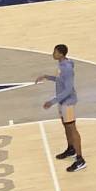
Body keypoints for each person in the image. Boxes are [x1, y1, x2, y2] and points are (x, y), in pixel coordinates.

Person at [39, 44, 88, 173]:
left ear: (61, 54)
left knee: (72, 129)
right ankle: (71, 149)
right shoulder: (62, 64)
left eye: (55, 52)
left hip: (68, 103)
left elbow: (68, 89)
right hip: (62, 101)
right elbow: (59, 80)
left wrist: (52, 101)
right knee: (66, 127)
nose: (53, 54)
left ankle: (80, 159)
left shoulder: (67, 68)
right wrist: (46, 76)